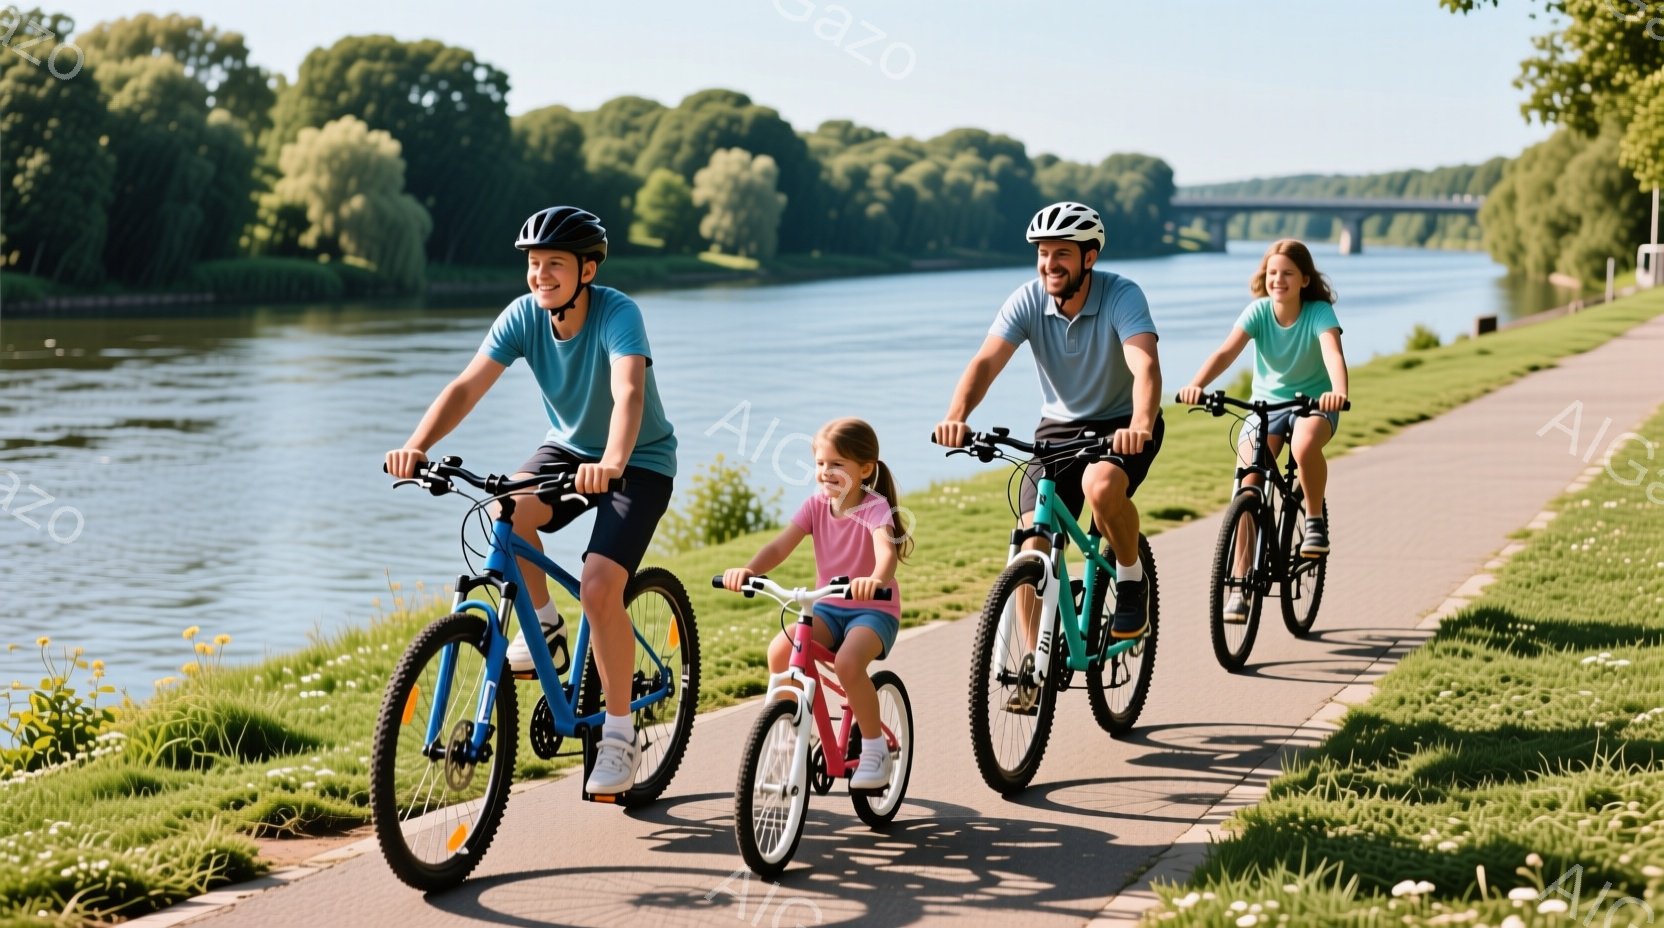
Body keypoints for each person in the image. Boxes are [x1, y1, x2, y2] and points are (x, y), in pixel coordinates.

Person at [385, 206, 677, 795]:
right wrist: (417, 445)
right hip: (567, 450)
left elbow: (628, 392)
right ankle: (544, 625)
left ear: (588, 270)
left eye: (555, 265)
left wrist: (614, 462)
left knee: (599, 587)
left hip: (638, 461)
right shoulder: (523, 316)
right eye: (534, 264)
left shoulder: (619, 313)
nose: (540, 275)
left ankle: (619, 734)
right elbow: (467, 385)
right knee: (504, 512)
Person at [933, 201, 1164, 642]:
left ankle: (1132, 577)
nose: (1049, 264)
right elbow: (985, 362)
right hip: (1057, 430)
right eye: (1043, 253)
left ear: (1089, 257)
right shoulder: (1027, 299)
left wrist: (1139, 423)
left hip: (1123, 423)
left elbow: (1145, 366)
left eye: (1061, 254)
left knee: (1101, 489)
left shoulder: (1122, 295)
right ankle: (1029, 669)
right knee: (1030, 540)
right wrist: (956, 417)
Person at [721, 418, 909, 790]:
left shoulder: (874, 508)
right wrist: (749, 570)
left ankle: (874, 749)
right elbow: (779, 546)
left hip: (873, 609)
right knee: (781, 651)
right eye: (821, 463)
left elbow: (885, 551)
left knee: (848, 663)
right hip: (827, 606)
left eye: (837, 464)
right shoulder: (815, 506)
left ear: (865, 469)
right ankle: (794, 734)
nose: (826, 472)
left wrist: (875, 580)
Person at [1176, 238, 1349, 621]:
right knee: (1248, 481)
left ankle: (1315, 521)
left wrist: (1338, 393)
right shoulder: (1257, 312)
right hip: (1266, 406)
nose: (1278, 280)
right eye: (1272, 273)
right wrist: (1197, 384)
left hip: (1314, 404)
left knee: (1304, 447)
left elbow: (1332, 353)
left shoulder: (1318, 313)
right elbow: (1225, 352)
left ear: (1305, 279)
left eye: (1287, 274)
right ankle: (1239, 584)